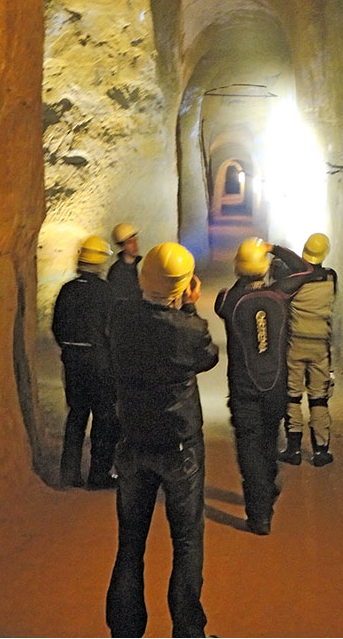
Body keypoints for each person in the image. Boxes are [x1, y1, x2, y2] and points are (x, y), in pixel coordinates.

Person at [106, 242, 219, 639]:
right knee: (186, 542)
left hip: (133, 443)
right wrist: (187, 307)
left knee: (130, 544)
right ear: (185, 286)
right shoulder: (188, 329)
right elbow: (208, 357)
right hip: (179, 446)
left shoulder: (120, 319)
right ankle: (188, 632)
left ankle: (124, 630)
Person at [214, 237, 303, 535]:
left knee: (249, 448)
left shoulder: (227, 299)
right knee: (268, 441)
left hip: (243, 390)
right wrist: (273, 248)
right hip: (275, 385)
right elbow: (305, 271)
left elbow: (231, 300)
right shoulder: (280, 294)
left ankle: (259, 515)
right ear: (265, 268)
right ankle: (266, 487)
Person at [51, 235, 119, 489]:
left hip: (73, 361)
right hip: (100, 361)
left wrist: (70, 351)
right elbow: (112, 329)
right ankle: (98, 474)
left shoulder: (67, 290)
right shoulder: (106, 292)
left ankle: (69, 473)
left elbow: (57, 327)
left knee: (77, 415)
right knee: (104, 417)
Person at [273, 232, 338, 467]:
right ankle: (321, 450)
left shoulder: (294, 281)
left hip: (295, 344)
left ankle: (294, 448)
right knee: (319, 399)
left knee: (293, 395)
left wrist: (274, 249)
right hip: (320, 345)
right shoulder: (331, 278)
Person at [107, 222, 143, 301]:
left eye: (135, 240)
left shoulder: (136, 266)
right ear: (121, 246)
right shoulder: (116, 272)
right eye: (130, 242)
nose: (135, 245)